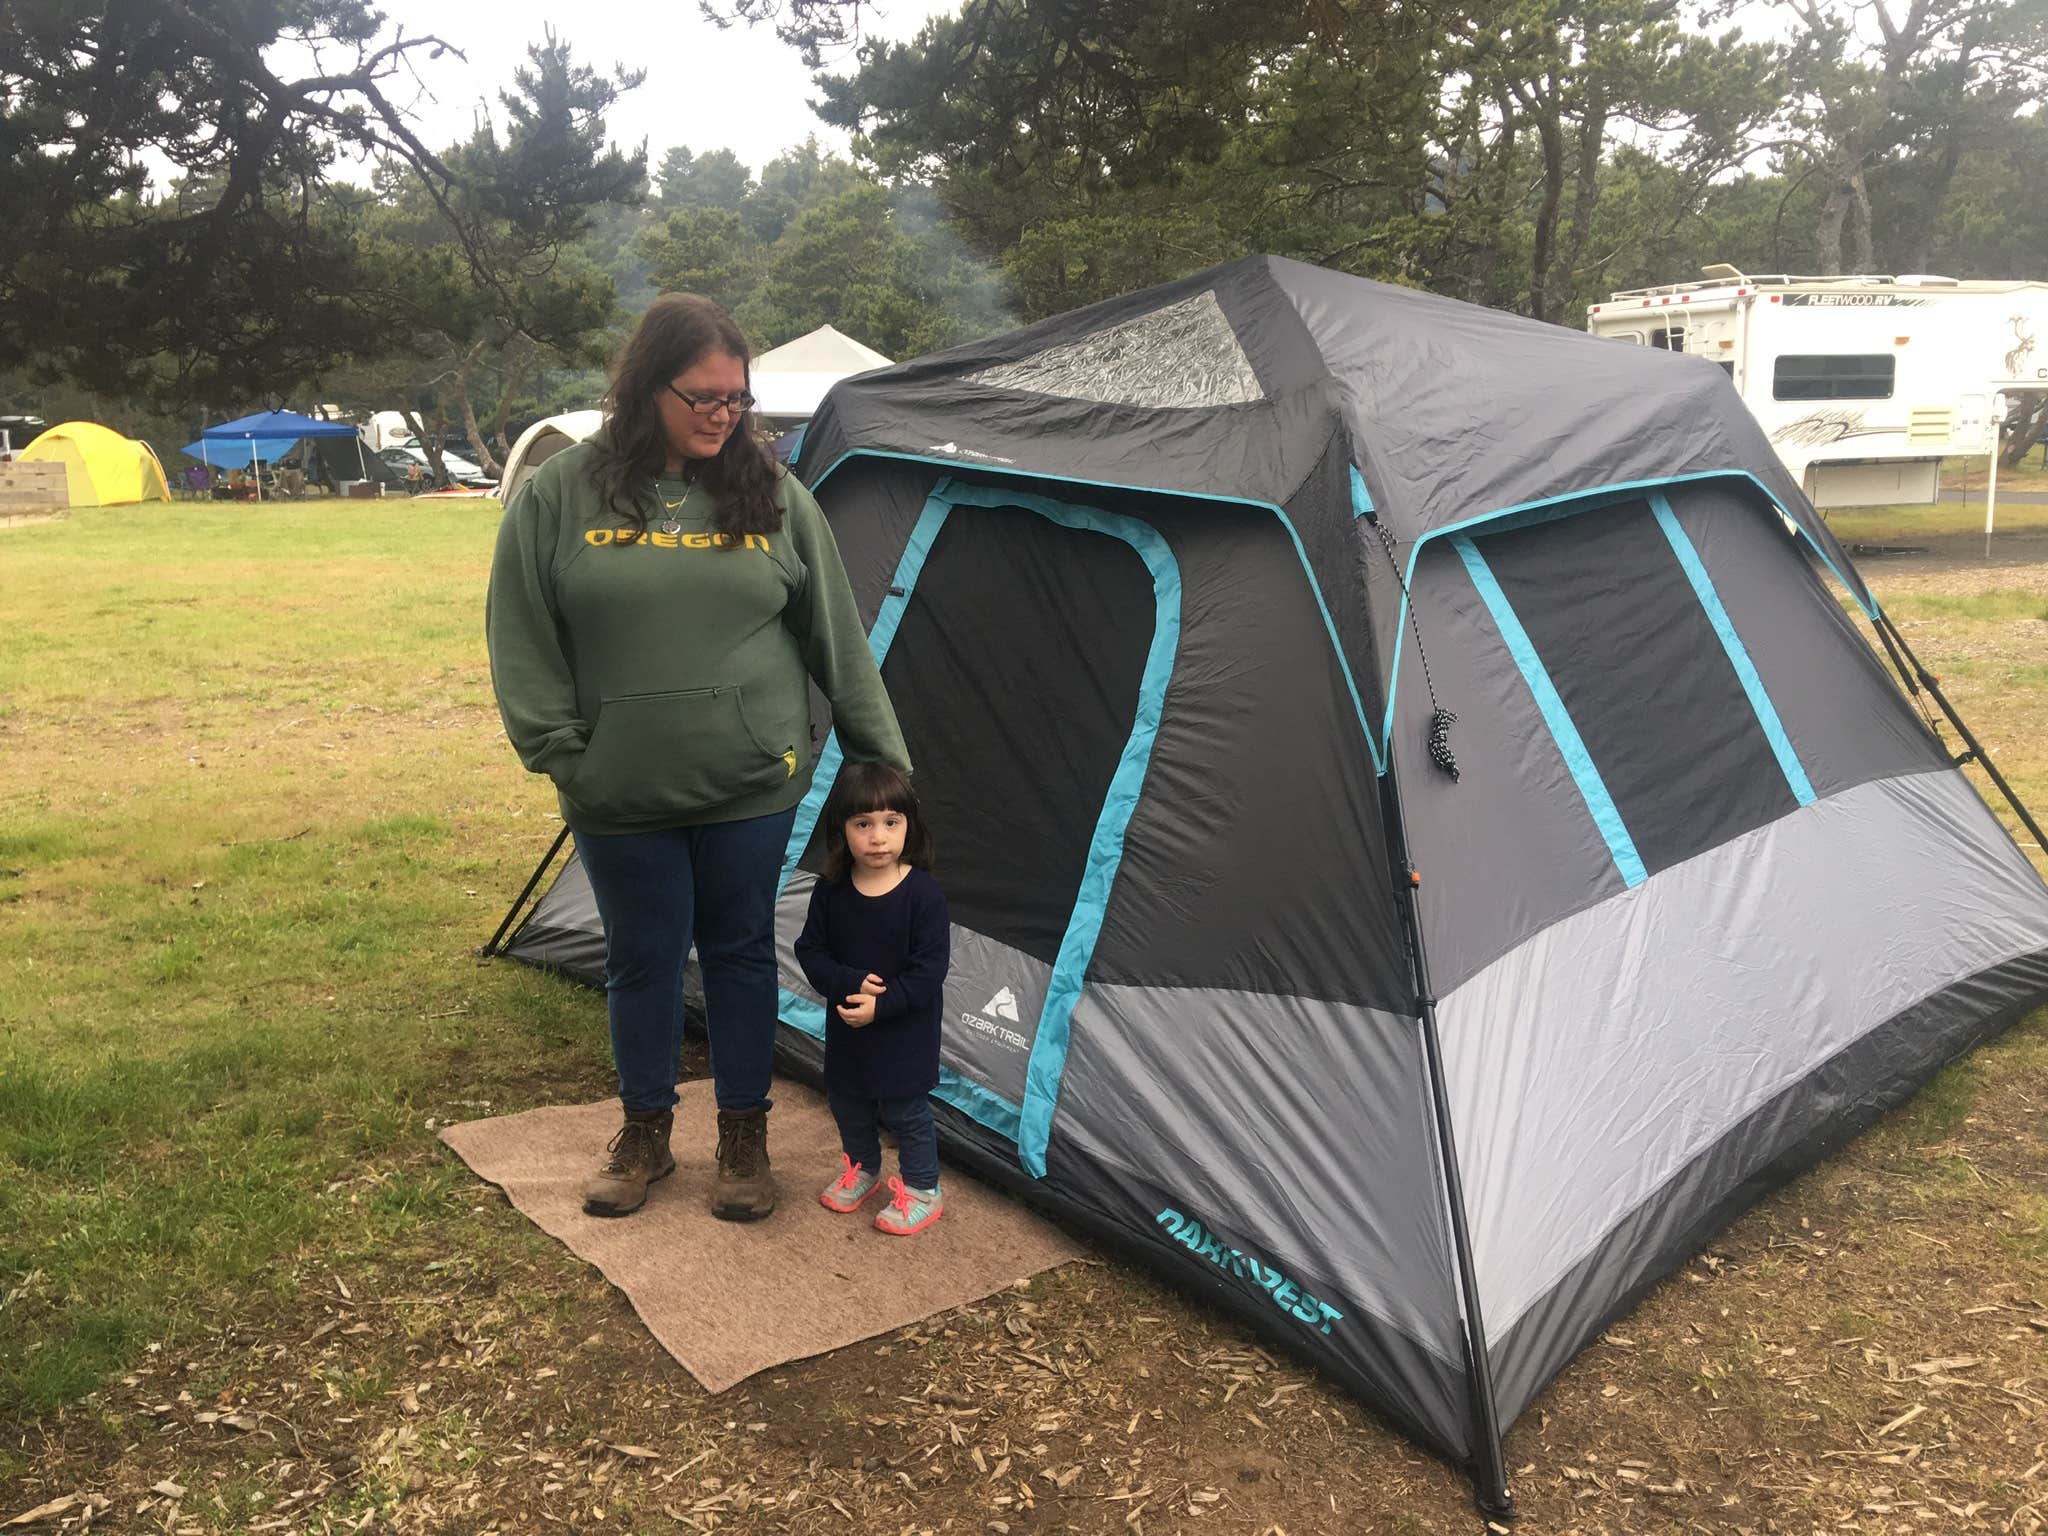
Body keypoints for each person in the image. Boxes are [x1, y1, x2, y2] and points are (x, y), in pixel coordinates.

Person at [486, 292, 910, 1223]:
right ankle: (644, 1134)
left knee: (740, 953)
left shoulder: (770, 493)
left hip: (750, 783)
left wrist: (887, 764)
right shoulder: (562, 494)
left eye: (736, 399)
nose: (723, 416)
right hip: (618, 786)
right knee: (641, 958)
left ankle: (744, 1138)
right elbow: (521, 635)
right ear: (646, 389)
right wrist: (566, 756)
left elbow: (836, 638)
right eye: (703, 397)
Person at [795, 762, 949, 1236]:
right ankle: (863, 1168)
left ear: (910, 826)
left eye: (891, 822)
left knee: (905, 1111)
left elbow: (929, 971)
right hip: (848, 1030)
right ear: (842, 831)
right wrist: (848, 983)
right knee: (847, 1102)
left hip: (905, 1034)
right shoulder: (832, 891)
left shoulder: (922, 895)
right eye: (863, 824)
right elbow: (811, 950)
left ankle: (923, 1188)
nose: (878, 837)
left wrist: (883, 1005)